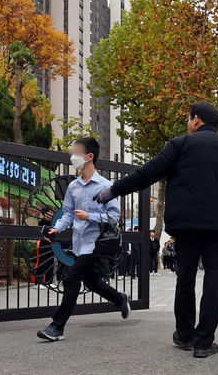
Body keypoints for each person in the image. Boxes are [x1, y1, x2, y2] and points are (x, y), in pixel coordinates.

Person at [93, 102, 218, 358]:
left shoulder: (179, 145)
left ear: (195, 120)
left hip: (185, 227)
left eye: (188, 118)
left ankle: (184, 336)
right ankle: (204, 343)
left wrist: (112, 190)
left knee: (185, 280)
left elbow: (146, 174)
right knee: (214, 281)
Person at [37, 137, 130, 342]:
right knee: (92, 282)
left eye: (76, 153)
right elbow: (68, 214)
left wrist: (90, 217)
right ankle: (119, 298)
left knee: (70, 280)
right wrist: (56, 229)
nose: (73, 157)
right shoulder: (74, 187)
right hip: (79, 244)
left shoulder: (106, 186)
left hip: (96, 243)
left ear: (89, 157)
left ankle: (57, 327)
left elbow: (115, 217)